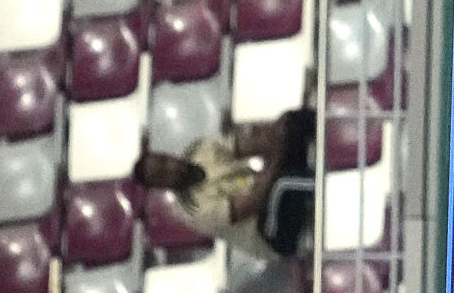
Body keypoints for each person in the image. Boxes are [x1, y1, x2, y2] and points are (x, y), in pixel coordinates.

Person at [134, 109, 317, 261]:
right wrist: (278, 158)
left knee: (292, 122)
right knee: (283, 186)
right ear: (161, 186)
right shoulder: (191, 209)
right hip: (270, 233)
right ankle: (328, 189)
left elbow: (257, 145)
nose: (171, 167)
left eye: (164, 160)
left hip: (269, 183)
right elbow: (253, 203)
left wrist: (279, 134)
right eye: (162, 174)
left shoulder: (199, 150)